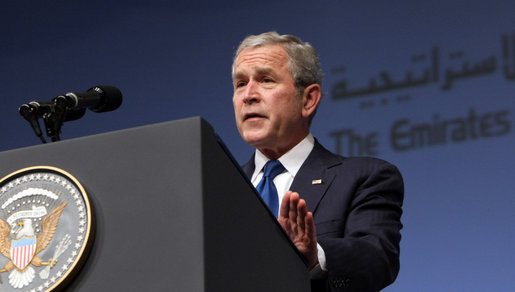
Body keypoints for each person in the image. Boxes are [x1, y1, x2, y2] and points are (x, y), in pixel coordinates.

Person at [232, 31, 404, 292]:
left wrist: (315, 256)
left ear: (308, 99)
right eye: (240, 83)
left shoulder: (364, 177)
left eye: (266, 80)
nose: (248, 95)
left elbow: (378, 257)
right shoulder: (220, 188)